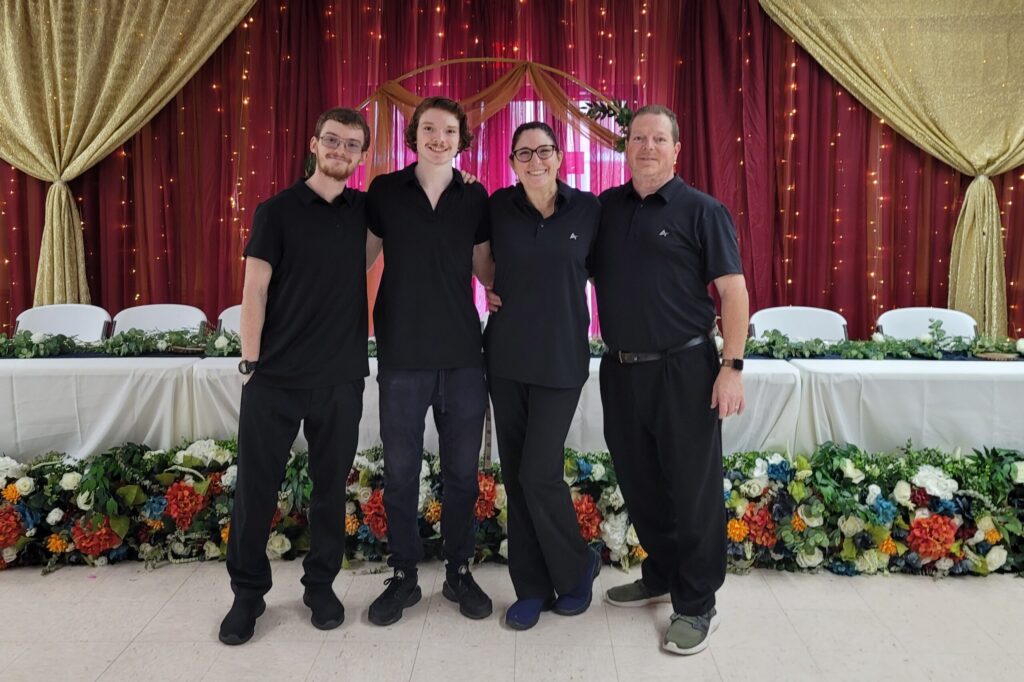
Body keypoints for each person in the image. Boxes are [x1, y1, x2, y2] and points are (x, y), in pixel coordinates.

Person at [592, 104, 748, 655]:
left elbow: (733, 292)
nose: (648, 147)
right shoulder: (605, 208)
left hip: (685, 369)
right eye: (639, 138)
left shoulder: (702, 210)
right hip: (621, 368)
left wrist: (731, 367)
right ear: (626, 147)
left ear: (677, 149)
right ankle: (661, 573)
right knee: (640, 481)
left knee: (692, 489)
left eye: (659, 138)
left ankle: (697, 602)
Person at [220, 107, 372, 645]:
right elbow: (253, 292)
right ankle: (247, 595)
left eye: (352, 145)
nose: (340, 151)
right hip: (275, 377)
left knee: (330, 490)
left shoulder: (364, 211)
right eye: (332, 140)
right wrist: (249, 364)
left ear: (361, 155)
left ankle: (321, 586)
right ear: (313, 144)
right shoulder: (276, 211)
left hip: (340, 377)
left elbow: (420, 206)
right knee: (256, 491)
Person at [364, 96, 495, 626]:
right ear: (413, 135)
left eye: (448, 130)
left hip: (464, 355)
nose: (438, 138)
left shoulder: (476, 195)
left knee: (462, 475)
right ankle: (404, 576)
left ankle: (459, 570)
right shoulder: (384, 192)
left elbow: (486, 268)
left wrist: (510, 290)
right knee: (401, 473)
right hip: (402, 353)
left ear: (461, 139)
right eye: (428, 129)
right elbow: (359, 256)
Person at [484, 122, 602, 630]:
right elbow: (482, 262)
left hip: (561, 360)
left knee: (539, 471)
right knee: (516, 476)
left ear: (559, 157)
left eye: (544, 151)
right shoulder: (496, 207)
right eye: (524, 153)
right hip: (506, 358)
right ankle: (530, 587)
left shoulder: (589, 210)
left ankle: (577, 569)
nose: (535, 161)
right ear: (512, 162)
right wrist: (491, 288)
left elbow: (609, 271)